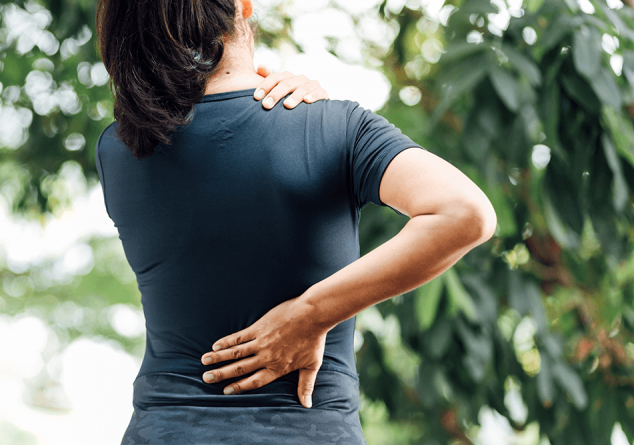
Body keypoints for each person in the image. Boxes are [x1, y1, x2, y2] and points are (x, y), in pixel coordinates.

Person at [93, 0, 497, 443]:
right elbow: (464, 213)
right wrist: (310, 316)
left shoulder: (117, 151)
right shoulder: (332, 127)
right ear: (241, 6)